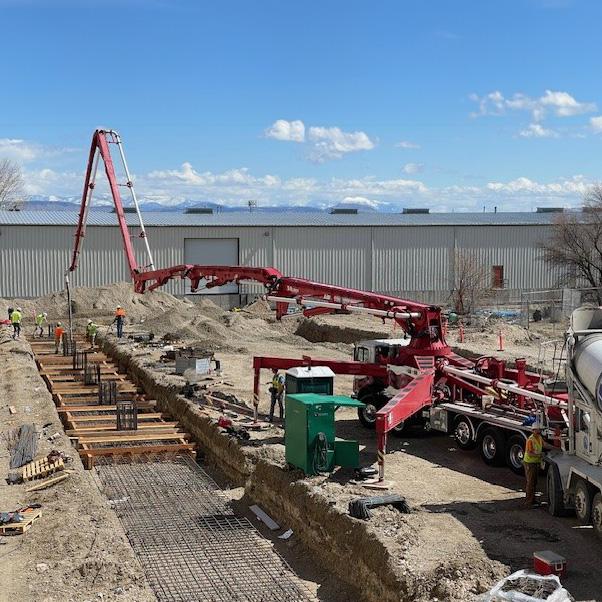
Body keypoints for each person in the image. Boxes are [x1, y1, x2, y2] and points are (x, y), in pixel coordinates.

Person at [523, 421, 553, 507]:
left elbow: (545, 445)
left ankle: (532, 500)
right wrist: (540, 455)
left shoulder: (539, 437)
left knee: (534, 482)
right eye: (538, 430)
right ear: (534, 430)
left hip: (534, 463)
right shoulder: (530, 440)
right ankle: (528, 502)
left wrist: (556, 448)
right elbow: (529, 453)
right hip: (529, 463)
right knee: (530, 483)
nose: (540, 431)